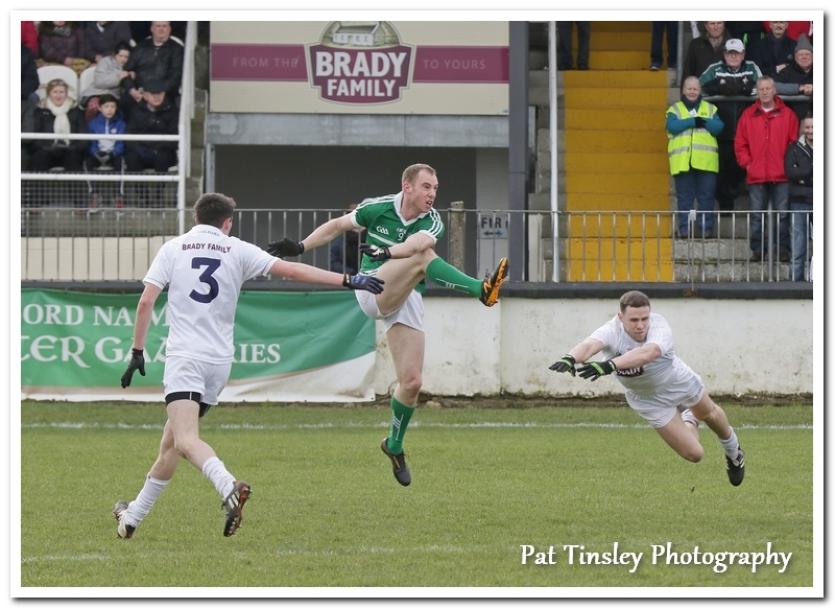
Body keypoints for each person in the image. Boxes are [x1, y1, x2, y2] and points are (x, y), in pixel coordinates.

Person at [114, 192, 385, 540]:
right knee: (171, 445)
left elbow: (146, 302)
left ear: (196, 217)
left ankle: (230, 486)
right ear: (228, 222)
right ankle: (132, 518)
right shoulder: (237, 249)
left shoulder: (174, 248)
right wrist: (348, 280)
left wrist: (138, 351)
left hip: (186, 357)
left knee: (185, 440)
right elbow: (292, 270)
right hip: (219, 363)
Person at [266, 164, 508, 487]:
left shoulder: (432, 220)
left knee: (411, 383)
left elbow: (414, 246)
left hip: (404, 294)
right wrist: (300, 247)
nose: (432, 194)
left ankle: (393, 445)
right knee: (424, 259)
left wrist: (387, 251)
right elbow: (338, 225)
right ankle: (481, 290)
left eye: (435, 188)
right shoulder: (377, 207)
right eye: (426, 187)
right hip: (372, 290)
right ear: (406, 187)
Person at [549, 290, 745, 486]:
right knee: (695, 454)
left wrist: (609, 365)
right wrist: (571, 358)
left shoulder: (659, 326)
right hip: (646, 399)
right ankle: (688, 418)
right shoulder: (611, 330)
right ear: (620, 317)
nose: (641, 325)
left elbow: (648, 353)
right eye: (634, 320)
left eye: (644, 318)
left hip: (677, 382)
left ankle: (734, 452)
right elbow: (589, 345)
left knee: (709, 415)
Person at [734, 76, 798, 263]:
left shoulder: (788, 115)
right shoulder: (748, 115)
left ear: (774, 90)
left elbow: (794, 145)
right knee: (756, 216)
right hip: (756, 174)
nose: (765, 91)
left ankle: (782, 250)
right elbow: (740, 143)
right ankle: (758, 250)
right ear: (757, 91)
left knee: (783, 215)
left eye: (768, 88)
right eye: (761, 88)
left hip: (782, 175)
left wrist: (788, 166)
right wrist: (748, 164)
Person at [699, 38, 762, 215]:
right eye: (730, 53)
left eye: (737, 53)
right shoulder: (715, 68)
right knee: (722, 170)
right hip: (722, 130)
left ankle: (731, 197)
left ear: (743, 54)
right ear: (724, 54)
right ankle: (725, 203)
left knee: (740, 169)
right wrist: (737, 87)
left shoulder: (751, 67)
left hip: (746, 131)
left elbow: (761, 88)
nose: (733, 56)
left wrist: (724, 87)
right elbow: (700, 86)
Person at [666, 77, 724, 238]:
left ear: (700, 91)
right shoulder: (674, 109)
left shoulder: (710, 108)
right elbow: (672, 126)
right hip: (683, 162)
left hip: (706, 163)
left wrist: (702, 121)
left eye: (695, 89)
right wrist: (693, 121)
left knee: (706, 197)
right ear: (683, 90)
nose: (692, 91)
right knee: (685, 198)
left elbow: (718, 127)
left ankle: (705, 229)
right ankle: (685, 229)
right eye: (689, 88)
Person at [124, 79, 178, 205]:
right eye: (153, 93)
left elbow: (174, 137)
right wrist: (140, 148)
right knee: (131, 158)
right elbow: (129, 134)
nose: (157, 96)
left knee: (163, 157)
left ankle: (159, 195)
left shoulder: (172, 111)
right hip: (141, 150)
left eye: (160, 93)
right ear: (145, 95)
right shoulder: (136, 110)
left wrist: (157, 146)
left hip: (162, 150)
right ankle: (143, 196)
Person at [122, 21, 184, 116]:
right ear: (152, 29)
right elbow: (126, 70)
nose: (161, 29)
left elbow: (175, 76)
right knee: (125, 99)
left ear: (169, 29)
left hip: (163, 93)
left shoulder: (177, 49)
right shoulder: (141, 47)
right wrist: (132, 90)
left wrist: (153, 93)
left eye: (164, 26)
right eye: (158, 26)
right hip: (139, 92)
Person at [30, 78, 87, 173]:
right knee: (40, 157)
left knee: (73, 157)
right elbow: (35, 136)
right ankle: (40, 187)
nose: (58, 95)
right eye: (55, 92)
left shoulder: (77, 111)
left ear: (66, 93)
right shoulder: (40, 111)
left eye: (61, 92)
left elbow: (83, 135)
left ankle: (73, 187)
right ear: (49, 93)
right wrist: (47, 148)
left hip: (71, 149)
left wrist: (73, 148)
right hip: (47, 150)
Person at [83, 94, 127, 207]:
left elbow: (121, 143)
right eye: (106, 106)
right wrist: (95, 153)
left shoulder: (121, 124)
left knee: (120, 162)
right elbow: (91, 143)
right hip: (98, 153)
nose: (110, 110)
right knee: (87, 162)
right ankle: (94, 194)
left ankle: (118, 196)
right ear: (100, 108)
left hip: (113, 154)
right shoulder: (93, 124)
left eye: (113, 107)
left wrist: (113, 154)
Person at [784, 115, 813, 281]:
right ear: (803, 129)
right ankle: (795, 280)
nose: (810, 131)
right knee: (798, 243)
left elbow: (799, 173)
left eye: (813, 127)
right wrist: (810, 173)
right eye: (807, 127)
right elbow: (791, 172)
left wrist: (803, 177)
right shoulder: (794, 148)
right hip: (799, 201)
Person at [80, 41, 133, 122]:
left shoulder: (130, 66)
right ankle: (90, 131)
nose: (123, 59)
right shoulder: (105, 61)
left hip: (114, 96)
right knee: (94, 106)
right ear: (115, 55)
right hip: (96, 93)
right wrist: (118, 77)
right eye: (120, 56)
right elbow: (99, 82)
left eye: (126, 57)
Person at [774, 34, 813, 121]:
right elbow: (774, 85)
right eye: (800, 54)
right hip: (791, 119)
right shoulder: (787, 71)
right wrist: (799, 88)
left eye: (807, 54)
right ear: (795, 57)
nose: (804, 57)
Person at [329, 203, 366, 274]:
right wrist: (350, 273)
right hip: (349, 278)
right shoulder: (340, 241)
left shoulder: (373, 238)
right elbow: (333, 263)